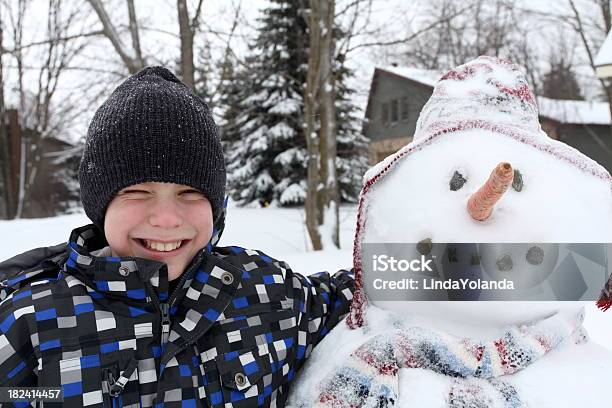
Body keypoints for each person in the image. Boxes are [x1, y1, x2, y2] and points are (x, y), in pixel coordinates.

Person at [0, 66, 354, 408]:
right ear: (100, 205)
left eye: (190, 192)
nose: (167, 218)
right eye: (137, 191)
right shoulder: (31, 322)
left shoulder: (267, 292)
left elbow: (363, 290)